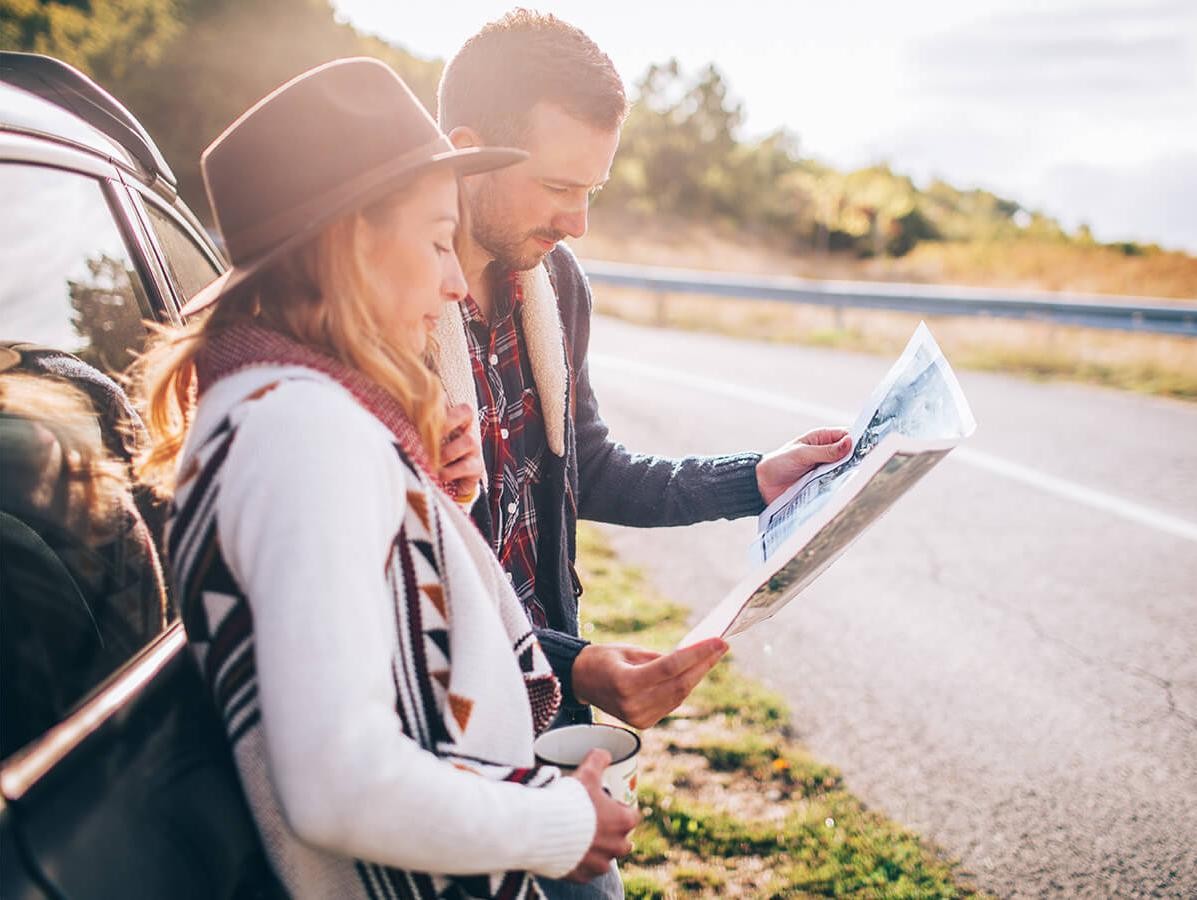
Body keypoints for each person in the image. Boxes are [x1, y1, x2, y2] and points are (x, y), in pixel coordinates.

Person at [134, 58, 637, 900]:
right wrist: (561, 825)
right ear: (352, 238)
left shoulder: (287, 411)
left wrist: (436, 508)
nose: (451, 280)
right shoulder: (301, 433)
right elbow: (339, 780)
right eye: (438, 240)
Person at [434, 12, 853, 731]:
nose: (578, 222)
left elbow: (585, 470)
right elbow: (399, 582)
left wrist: (753, 478)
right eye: (560, 186)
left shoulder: (555, 285)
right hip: (449, 712)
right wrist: (575, 664)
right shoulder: (379, 307)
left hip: (551, 708)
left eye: (591, 189)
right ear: (466, 154)